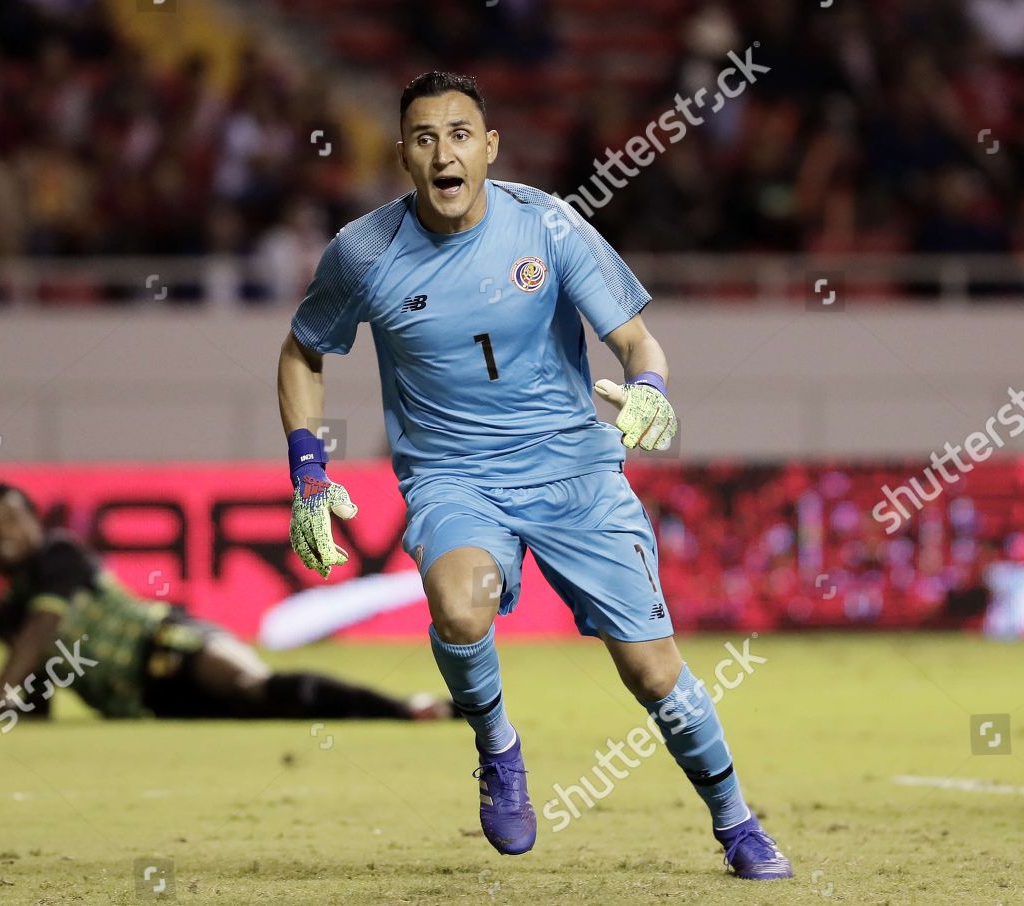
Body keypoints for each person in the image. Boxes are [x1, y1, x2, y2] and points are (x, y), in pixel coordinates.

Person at [275, 72, 791, 879]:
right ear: (404, 157)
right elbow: (304, 349)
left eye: (458, 135)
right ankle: (498, 748)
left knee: (653, 671)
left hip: (574, 470)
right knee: (459, 605)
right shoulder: (364, 252)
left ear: (488, 149)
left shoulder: (546, 225)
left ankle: (735, 822)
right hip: (454, 479)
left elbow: (638, 344)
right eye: (422, 138)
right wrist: (309, 470)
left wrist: (651, 390)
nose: (442, 152)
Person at [0, 483, 453, 725]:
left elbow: (43, 632)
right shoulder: (8, 616)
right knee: (261, 709)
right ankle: (407, 710)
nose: (8, 531)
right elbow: (31, 705)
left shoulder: (58, 558)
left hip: (171, 645)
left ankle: (409, 708)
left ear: (34, 521)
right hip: (153, 703)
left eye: (16, 516)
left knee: (252, 687)